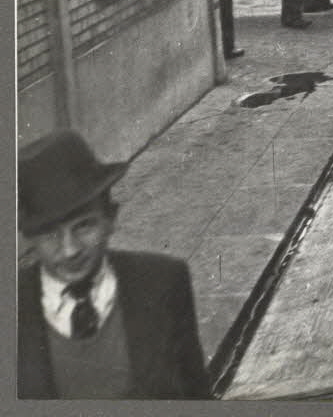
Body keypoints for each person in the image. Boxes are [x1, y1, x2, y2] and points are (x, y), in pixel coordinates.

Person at [18, 130, 211, 398]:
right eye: (50, 234)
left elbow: (198, 397)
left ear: (110, 219)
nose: (69, 249)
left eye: (83, 225)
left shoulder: (165, 282)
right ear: (30, 237)